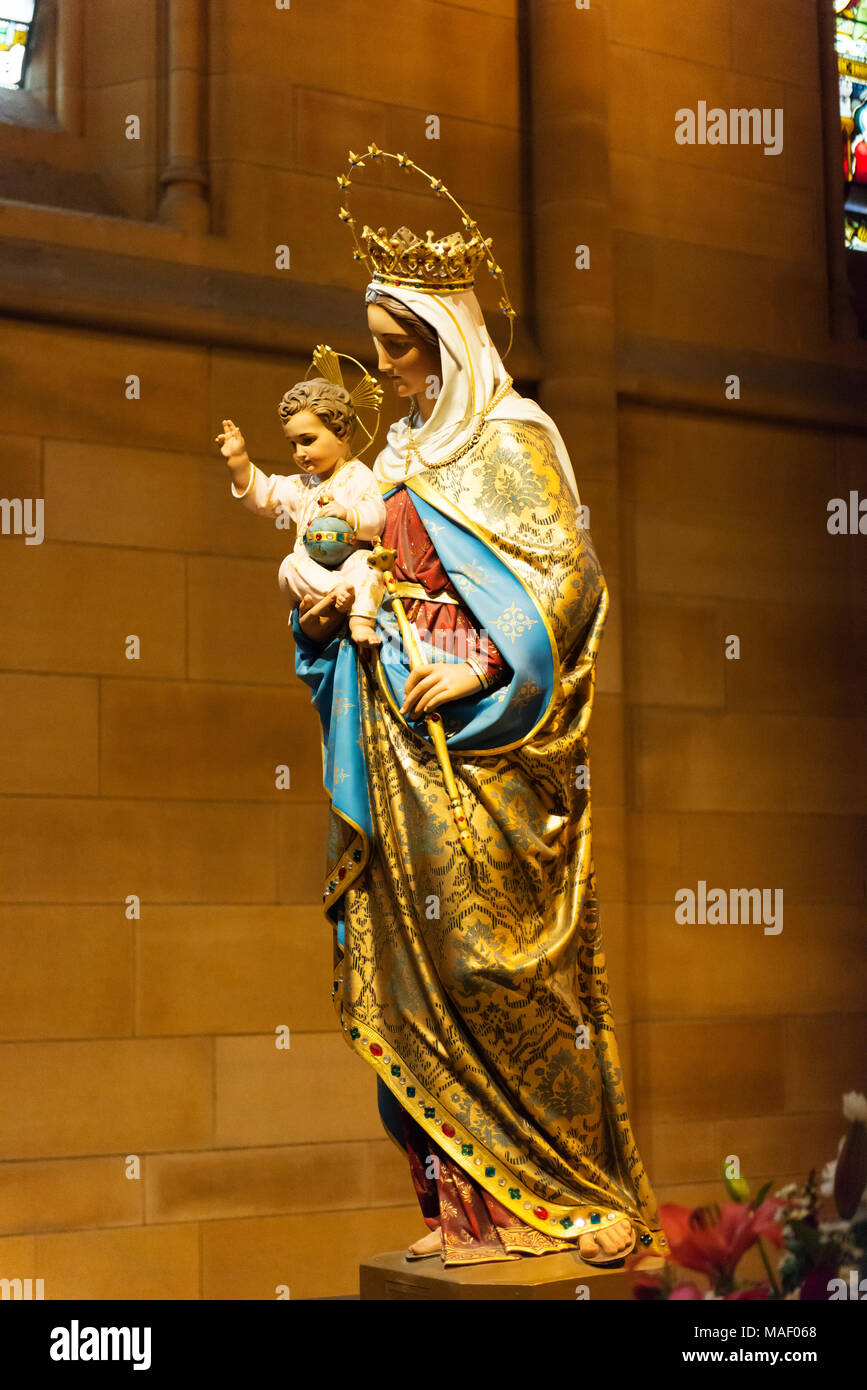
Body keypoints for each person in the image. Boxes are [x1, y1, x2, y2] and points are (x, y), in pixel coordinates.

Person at [289, 228, 667, 1267]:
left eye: (398, 348)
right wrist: (322, 623)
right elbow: (355, 569)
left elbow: (571, 582)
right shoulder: (399, 453)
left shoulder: (517, 437)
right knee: (415, 979)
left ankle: (572, 1191)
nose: (383, 370)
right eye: (373, 346)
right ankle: (462, 1209)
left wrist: (487, 666)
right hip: (398, 736)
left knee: (491, 962)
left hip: (490, 755)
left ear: (448, 341)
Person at [216, 379, 386, 644]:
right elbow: (264, 495)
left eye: (308, 440)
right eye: (293, 444)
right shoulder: (300, 486)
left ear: (341, 432)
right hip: (315, 577)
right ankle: (335, 592)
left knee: (367, 563)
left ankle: (361, 621)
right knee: (290, 565)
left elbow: (376, 517)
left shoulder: (358, 476)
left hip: (349, 568)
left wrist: (350, 515)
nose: (300, 453)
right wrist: (239, 461)